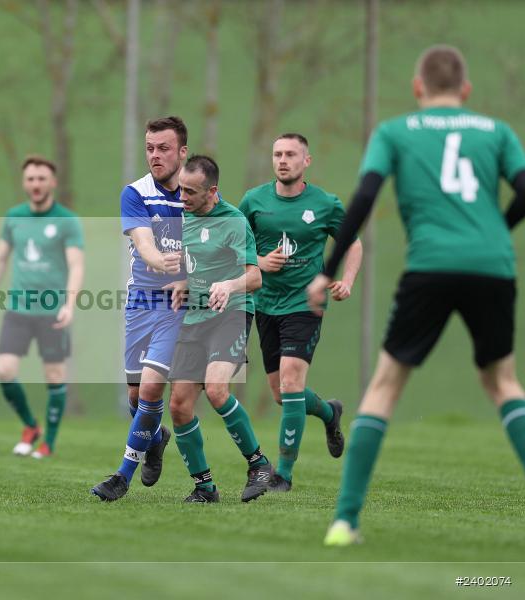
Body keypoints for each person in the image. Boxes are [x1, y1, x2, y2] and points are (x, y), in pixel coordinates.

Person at [307, 45, 525, 546]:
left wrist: (327, 269)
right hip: (493, 266)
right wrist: (497, 228)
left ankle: (345, 521)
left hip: (430, 264)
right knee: (503, 383)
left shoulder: (395, 132)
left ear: (417, 87)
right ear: (466, 91)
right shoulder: (495, 131)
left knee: (385, 385)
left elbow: (364, 197)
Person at [239, 133, 363, 492]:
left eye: (291, 154)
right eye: (277, 153)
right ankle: (329, 412)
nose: (282, 160)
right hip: (265, 304)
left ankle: (284, 475)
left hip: (306, 304)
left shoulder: (325, 204)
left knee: (293, 382)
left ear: (305, 161)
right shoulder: (254, 200)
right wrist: (259, 262)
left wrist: (347, 281)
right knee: (281, 394)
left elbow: (352, 243)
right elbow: (233, 242)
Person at [91, 116, 189, 501]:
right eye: (150, 148)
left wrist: (189, 269)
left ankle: (122, 477)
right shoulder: (135, 192)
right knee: (136, 398)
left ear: (182, 151)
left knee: (150, 388)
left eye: (163, 148)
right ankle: (155, 438)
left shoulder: (196, 192)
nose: (155, 155)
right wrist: (163, 258)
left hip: (177, 303)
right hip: (140, 302)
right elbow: (143, 243)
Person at [166, 154, 273, 503]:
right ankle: (205, 486)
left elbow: (255, 277)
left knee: (215, 389)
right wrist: (182, 281)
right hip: (195, 317)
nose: (182, 197)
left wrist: (228, 285)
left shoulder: (235, 221)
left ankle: (258, 464)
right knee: (179, 406)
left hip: (231, 313)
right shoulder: (183, 219)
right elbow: (192, 261)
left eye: (191, 192)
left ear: (212, 191)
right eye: (181, 189)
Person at [0, 156, 84, 459]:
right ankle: (30, 426)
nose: (36, 184)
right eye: (31, 179)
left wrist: (69, 305)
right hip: (18, 309)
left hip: (52, 310)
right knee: (4, 370)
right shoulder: (14, 217)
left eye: (41, 178)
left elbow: (76, 264)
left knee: (55, 376)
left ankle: (48, 442)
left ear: (53, 182)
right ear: (25, 183)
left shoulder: (67, 220)